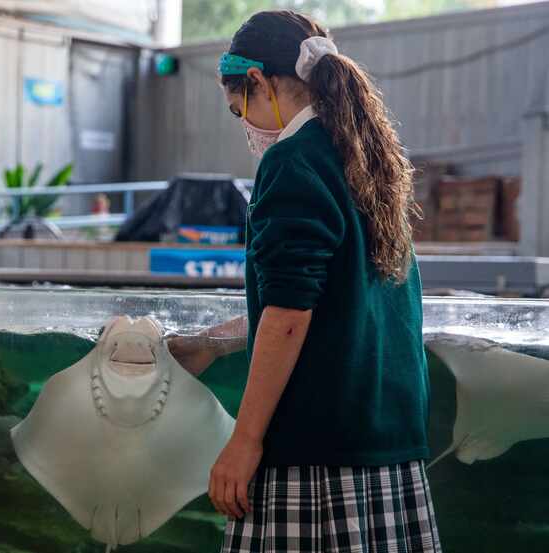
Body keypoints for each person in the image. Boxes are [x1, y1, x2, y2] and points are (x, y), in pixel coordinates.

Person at [168, 10, 441, 553]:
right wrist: (210, 344)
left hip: (315, 458)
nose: (244, 123)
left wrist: (244, 442)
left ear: (259, 83)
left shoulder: (292, 162)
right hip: (389, 444)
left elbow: (290, 316)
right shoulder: (366, 159)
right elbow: (330, 299)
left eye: (238, 108)